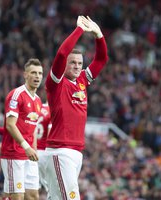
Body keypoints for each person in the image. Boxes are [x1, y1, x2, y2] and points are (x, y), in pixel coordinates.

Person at [44, 16, 108, 199]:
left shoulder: (82, 80)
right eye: (73, 63)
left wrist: (98, 34)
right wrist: (79, 29)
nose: (77, 67)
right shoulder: (55, 83)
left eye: (80, 63)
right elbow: (62, 54)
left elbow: (101, 59)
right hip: (60, 151)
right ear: (64, 65)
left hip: (75, 152)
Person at [1, 58, 43, 200]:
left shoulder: (37, 100)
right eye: (33, 73)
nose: (37, 76)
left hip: (29, 155)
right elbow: (10, 124)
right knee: (17, 197)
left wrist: (34, 151)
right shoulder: (16, 95)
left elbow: (33, 128)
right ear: (25, 75)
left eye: (40, 73)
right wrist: (26, 147)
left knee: (33, 196)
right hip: (14, 153)